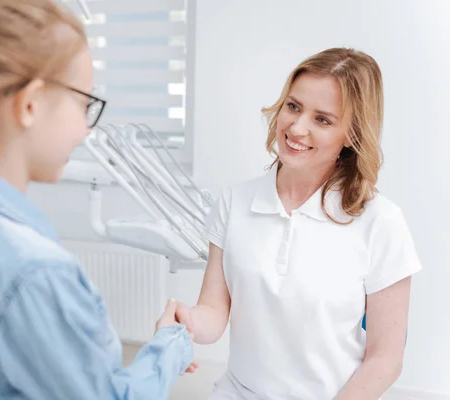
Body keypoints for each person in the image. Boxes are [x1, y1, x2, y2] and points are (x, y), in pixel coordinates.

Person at [0, 1, 196, 399]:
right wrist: (170, 345)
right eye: (83, 103)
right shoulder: (36, 274)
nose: (86, 128)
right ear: (30, 104)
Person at [176, 48, 422, 399]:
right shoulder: (234, 202)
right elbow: (214, 312)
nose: (297, 127)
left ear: (351, 134)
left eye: (322, 119)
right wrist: (184, 324)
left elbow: (386, 358)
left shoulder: (380, 222)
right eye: (293, 106)